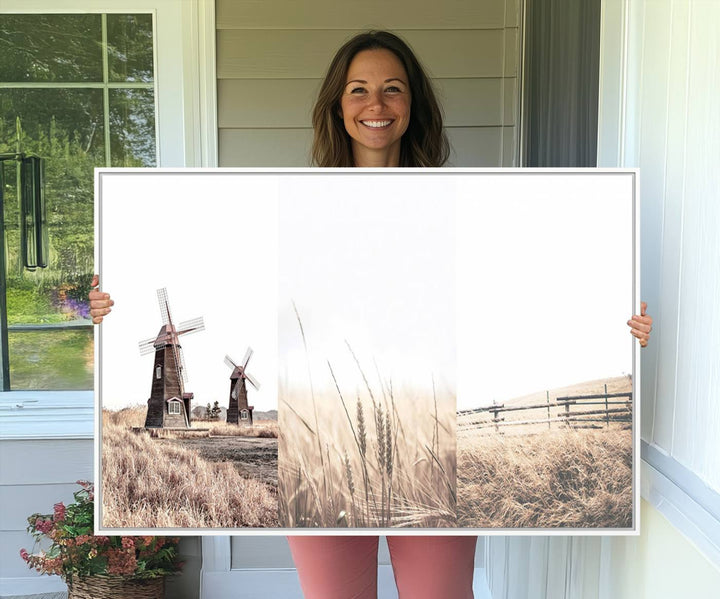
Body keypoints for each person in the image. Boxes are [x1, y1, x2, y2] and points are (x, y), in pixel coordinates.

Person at [89, 30, 653, 599]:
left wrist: (613, 326)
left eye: (392, 89)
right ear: (338, 105)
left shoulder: (462, 207)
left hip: (427, 439)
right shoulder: (295, 210)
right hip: (322, 445)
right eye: (358, 90)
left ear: (413, 105)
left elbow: (518, 293)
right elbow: (264, 297)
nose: (376, 105)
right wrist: (108, 310)